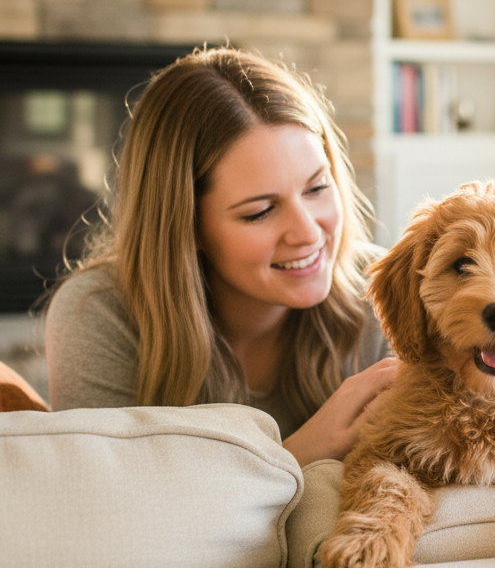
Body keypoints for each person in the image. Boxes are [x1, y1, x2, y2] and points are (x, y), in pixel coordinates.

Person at [44, 47, 397, 468]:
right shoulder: (99, 316)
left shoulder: (384, 287)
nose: (308, 233)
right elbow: (114, 507)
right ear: (185, 225)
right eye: (259, 212)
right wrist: (295, 455)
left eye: (317, 188)